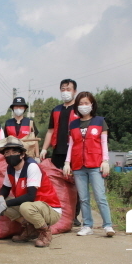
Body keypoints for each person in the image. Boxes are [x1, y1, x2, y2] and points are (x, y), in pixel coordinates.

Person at [63, 91, 115, 237]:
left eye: (86, 103)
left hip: (95, 164)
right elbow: (71, 145)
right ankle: (87, 225)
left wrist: (105, 161)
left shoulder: (100, 121)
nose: (83, 106)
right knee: (84, 198)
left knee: (100, 196)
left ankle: (108, 225)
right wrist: (67, 163)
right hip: (78, 166)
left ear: (92, 104)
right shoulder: (73, 124)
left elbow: (104, 143)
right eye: (80, 103)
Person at [0, 136, 62, 247]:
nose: (10, 155)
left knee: (24, 206)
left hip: (50, 209)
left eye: (14, 152)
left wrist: (6, 203)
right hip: (32, 206)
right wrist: (0, 197)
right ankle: (30, 229)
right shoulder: (10, 168)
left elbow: (30, 196)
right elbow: (5, 188)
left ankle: (45, 232)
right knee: (2, 203)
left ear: (22, 155)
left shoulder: (31, 167)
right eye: (7, 152)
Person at [39, 79, 81, 226]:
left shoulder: (79, 108)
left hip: (75, 151)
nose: (65, 92)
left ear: (75, 91)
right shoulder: (56, 110)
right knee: (57, 182)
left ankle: (74, 215)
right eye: (63, 89)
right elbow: (50, 131)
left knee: (75, 183)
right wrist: (44, 148)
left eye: (68, 89)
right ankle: (58, 213)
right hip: (58, 150)